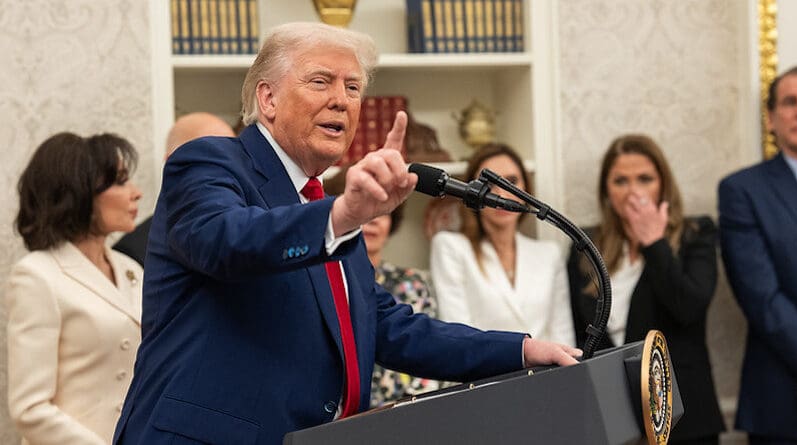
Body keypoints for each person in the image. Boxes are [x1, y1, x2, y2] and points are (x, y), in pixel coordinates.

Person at [113, 22, 581, 445]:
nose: (341, 99)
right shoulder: (212, 161)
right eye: (321, 81)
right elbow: (229, 240)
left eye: (353, 87)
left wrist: (519, 350)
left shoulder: (321, 205)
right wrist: (342, 216)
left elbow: (384, 325)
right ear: (268, 98)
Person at [568, 134, 724, 444]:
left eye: (645, 179)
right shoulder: (586, 245)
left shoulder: (697, 233)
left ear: (663, 184)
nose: (633, 191)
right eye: (620, 181)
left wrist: (654, 243)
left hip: (684, 416)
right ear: (606, 191)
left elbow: (688, 308)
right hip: (611, 417)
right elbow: (578, 332)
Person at [5, 132, 143, 444]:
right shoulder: (37, 276)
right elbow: (30, 409)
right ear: (79, 193)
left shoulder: (130, 268)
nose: (136, 193)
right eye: (120, 181)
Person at [718, 66, 797, 444]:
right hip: (784, 404)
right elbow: (762, 299)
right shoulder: (742, 191)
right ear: (771, 118)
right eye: (790, 102)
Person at [430, 143, 575, 346]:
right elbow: (459, 338)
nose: (502, 194)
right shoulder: (451, 248)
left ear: (526, 189)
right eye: (489, 186)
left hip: (549, 375)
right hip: (485, 376)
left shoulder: (549, 254)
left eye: (512, 181)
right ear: (472, 194)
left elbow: (564, 339)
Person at [325, 171, 441, 406]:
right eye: (364, 209)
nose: (374, 219)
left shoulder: (413, 283)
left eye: (382, 211)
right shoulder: (324, 281)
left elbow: (425, 350)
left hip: (407, 414)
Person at [113, 112, 235, 265]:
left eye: (233, 159)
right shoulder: (135, 252)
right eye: (213, 159)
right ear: (174, 163)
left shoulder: (244, 233)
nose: (230, 170)